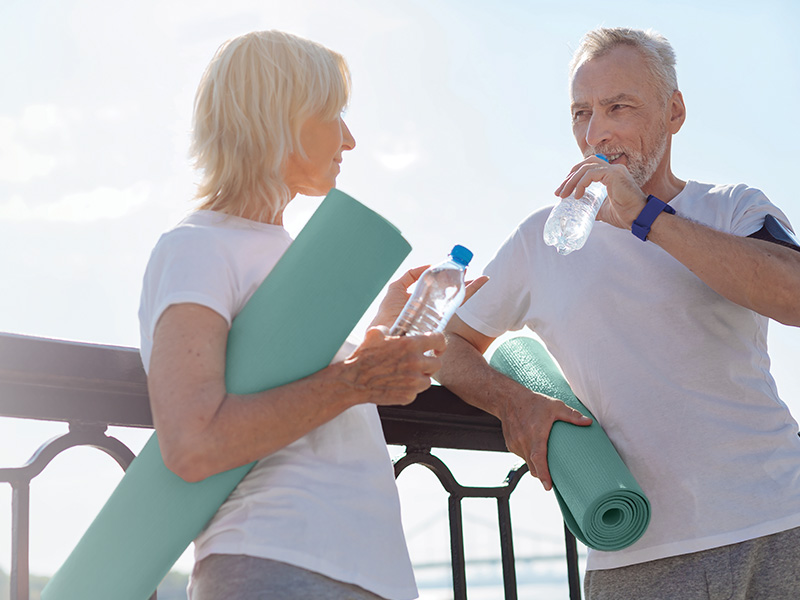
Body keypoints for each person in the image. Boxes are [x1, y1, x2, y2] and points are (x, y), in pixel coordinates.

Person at [435, 27, 800, 599]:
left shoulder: (733, 207)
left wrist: (646, 217)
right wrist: (518, 403)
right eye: (581, 112)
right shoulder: (540, 239)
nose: (595, 132)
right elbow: (447, 347)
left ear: (673, 111)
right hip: (636, 548)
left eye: (618, 107)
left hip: (784, 525)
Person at [138, 30, 483, 600]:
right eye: (334, 115)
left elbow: (309, 398)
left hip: (370, 576)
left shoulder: (290, 259)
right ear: (280, 119)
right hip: (275, 563)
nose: (349, 138)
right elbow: (193, 443)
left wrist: (380, 343)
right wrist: (353, 381)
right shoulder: (195, 246)